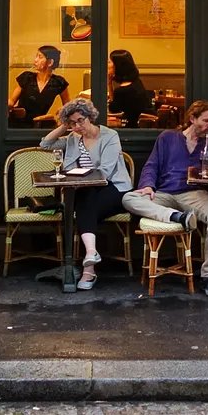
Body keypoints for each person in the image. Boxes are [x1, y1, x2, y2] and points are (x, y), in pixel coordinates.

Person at [123, 100, 208, 296]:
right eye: (206, 121)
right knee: (129, 198)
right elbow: (152, 165)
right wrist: (147, 186)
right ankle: (176, 217)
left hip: (193, 194)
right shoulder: (168, 138)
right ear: (192, 118)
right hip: (164, 193)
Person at [40, 98, 131, 290]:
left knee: (84, 203)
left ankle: (89, 265)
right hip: (85, 190)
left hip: (114, 188)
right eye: (72, 122)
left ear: (90, 117)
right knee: (84, 201)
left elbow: (105, 172)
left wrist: (79, 181)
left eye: (81, 120)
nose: (78, 126)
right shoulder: (73, 138)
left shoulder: (109, 136)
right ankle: (90, 259)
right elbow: (45, 145)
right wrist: (64, 126)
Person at [9, 45, 70, 121]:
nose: (35, 60)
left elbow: (68, 106)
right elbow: (11, 101)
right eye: (36, 56)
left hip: (39, 124)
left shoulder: (59, 82)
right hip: (16, 123)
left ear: (50, 62)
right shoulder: (27, 77)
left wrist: (61, 111)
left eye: (40, 57)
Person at [106, 49, 152, 128]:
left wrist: (109, 84)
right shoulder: (136, 82)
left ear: (117, 66)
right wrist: (110, 83)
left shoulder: (122, 90)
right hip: (140, 126)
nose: (107, 64)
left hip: (130, 129)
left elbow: (113, 110)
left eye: (110, 62)